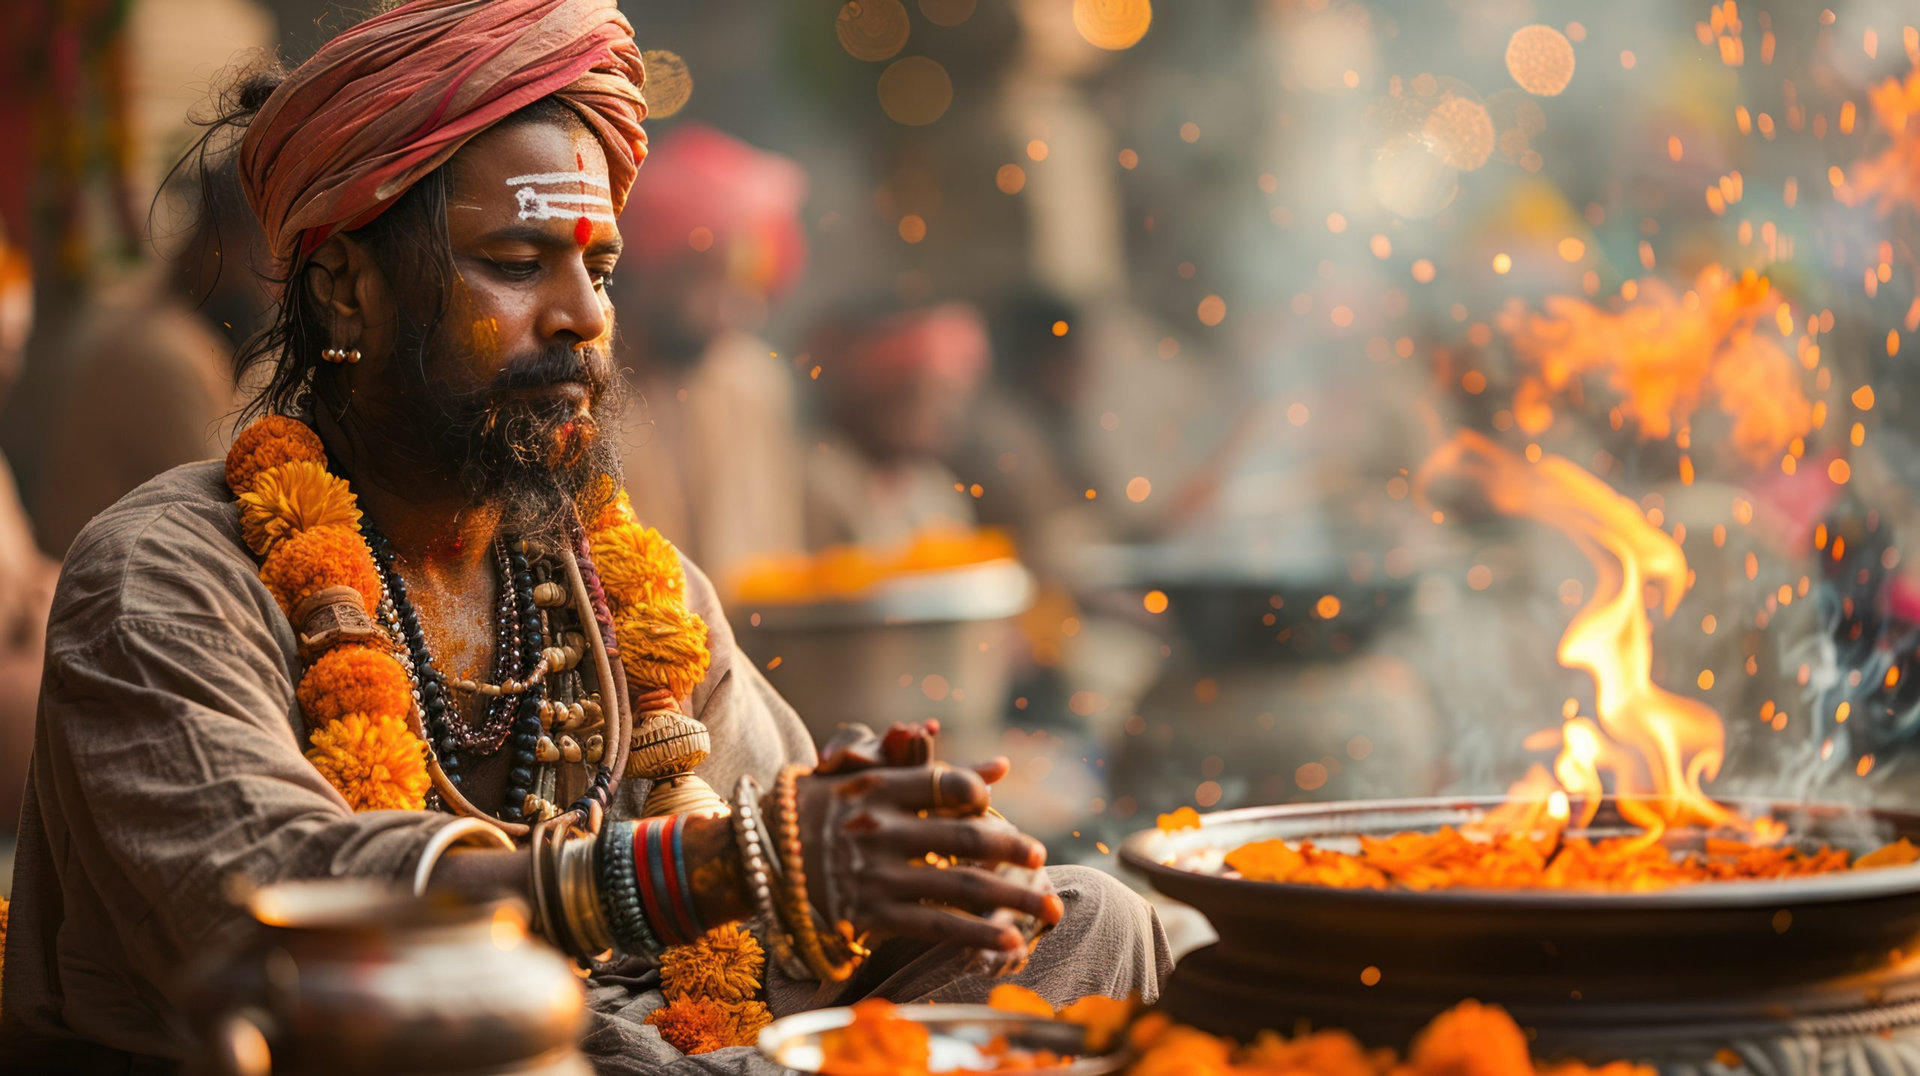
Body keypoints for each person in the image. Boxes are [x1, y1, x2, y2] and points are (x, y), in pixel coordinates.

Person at [0, 2, 1169, 1073]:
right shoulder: (160, 571)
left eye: (599, 267)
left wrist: (891, 856)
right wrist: (699, 869)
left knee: (1089, 925)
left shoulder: (627, 589)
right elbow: (276, 912)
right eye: (517, 264)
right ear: (349, 290)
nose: (584, 315)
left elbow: (775, 896)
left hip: (653, 1052)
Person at [612, 123, 809, 587]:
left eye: (745, 285)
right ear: (644, 268)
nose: (739, 310)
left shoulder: (752, 383)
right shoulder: (582, 393)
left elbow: (782, 558)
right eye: (708, 280)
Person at [802, 300, 991, 551]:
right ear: (881, 394)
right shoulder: (822, 481)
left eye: (954, 398)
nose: (945, 415)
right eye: (929, 396)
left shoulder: (935, 486)